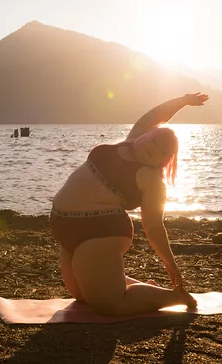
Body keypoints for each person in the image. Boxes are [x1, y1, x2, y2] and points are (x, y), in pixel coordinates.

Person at [50, 92, 209, 316]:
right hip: (66, 229)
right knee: (82, 297)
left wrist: (170, 264)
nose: (154, 149)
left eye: (162, 152)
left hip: (100, 232)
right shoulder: (131, 139)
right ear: (148, 135)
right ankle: (144, 287)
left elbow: (153, 226)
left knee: (109, 305)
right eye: (154, 141)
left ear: (165, 161)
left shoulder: (152, 180)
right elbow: (154, 115)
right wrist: (182, 101)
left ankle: (174, 296)